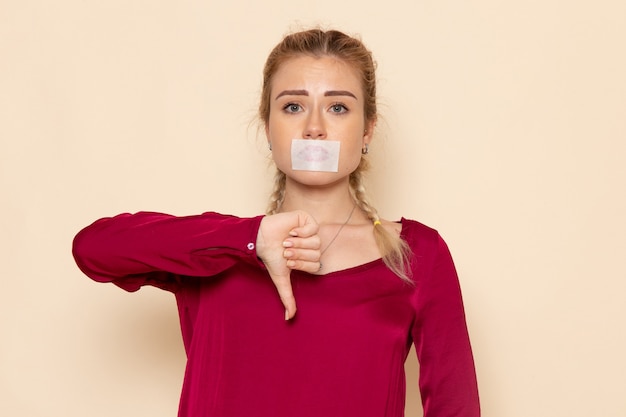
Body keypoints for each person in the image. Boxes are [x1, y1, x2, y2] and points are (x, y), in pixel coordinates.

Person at [72, 28, 480, 417]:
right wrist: (247, 241)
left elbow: (456, 407)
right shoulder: (218, 248)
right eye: (293, 106)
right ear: (268, 127)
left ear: (368, 129)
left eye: (338, 107)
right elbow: (93, 249)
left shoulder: (415, 256)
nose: (315, 128)